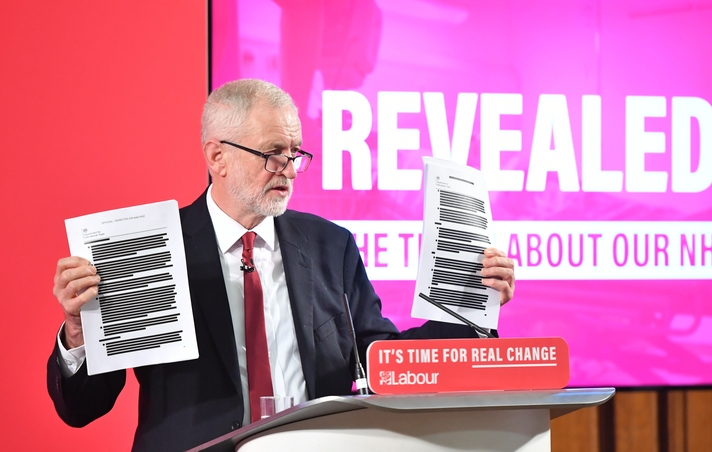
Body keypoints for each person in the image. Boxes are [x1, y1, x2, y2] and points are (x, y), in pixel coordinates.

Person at [47, 79, 515, 451]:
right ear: (218, 157)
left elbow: (384, 364)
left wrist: (470, 307)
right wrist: (77, 332)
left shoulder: (331, 246)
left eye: (295, 153)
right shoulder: (152, 247)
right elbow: (83, 407)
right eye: (273, 153)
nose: (290, 169)